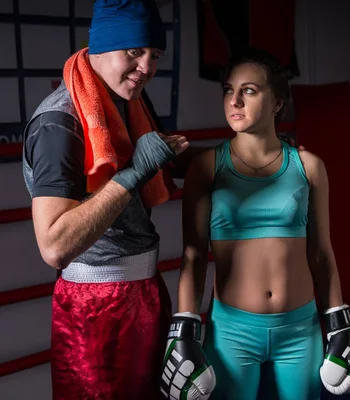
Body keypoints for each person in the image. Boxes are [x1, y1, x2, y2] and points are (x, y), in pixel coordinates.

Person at [161, 49, 350, 400]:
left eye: (249, 90)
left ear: (276, 103)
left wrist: (338, 321)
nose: (234, 101)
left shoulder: (309, 166)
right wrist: (184, 327)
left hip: (299, 330)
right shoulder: (207, 168)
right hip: (232, 332)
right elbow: (193, 254)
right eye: (228, 90)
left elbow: (321, 252)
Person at [21, 1, 198, 398]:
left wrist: (257, 156)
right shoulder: (59, 124)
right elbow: (54, 245)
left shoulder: (127, 96)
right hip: (94, 308)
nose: (146, 68)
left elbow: (167, 151)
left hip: (145, 291)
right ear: (101, 46)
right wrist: (134, 174)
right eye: (134, 52)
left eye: (154, 55)